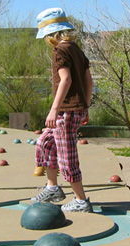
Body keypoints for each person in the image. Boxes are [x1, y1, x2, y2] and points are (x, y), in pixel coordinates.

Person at [30, 8, 93, 213]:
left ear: (50, 35)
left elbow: (66, 80)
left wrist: (53, 110)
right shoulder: (76, 49)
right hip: (75, 109)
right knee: (45, 143)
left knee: (67, 156)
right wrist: (85, 106)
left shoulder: (60, 50)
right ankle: (53, 188)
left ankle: (81, 201)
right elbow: (88, 81)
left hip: (65, 112)